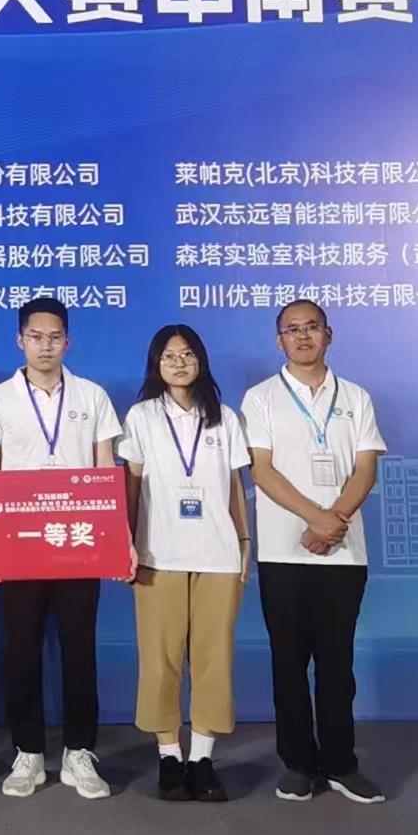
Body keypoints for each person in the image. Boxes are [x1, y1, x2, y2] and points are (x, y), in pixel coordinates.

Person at [0, 295, 125, 799]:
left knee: (80, 650)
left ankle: (79, 752)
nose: (45, 345)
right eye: (35, 336)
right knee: (21, 651)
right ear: (20, 340)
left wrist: (117, 540)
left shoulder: (92, 396)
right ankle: (29, 753)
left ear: (67, 341)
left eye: (54, 337)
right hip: (19, 545)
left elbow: (106, 471)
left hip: (79, 544)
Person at [241, 300, 387, 804]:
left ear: (329, 334)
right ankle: (299, 764)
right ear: (278, 340)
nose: (302, 336)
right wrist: (314, 517)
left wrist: (333, 521)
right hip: (283, 553)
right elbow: (261, 469)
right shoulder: (260, 398)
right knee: (288, 663)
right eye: (292, 329)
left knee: (336, 664)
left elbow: (366, 467)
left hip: (343, 553)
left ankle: (342, 763)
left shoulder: (357, 397)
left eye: (311, 327)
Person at [120, 324, 252, 803]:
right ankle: (169, 756)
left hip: (218, 556)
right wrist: (124, 543)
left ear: (202, 360)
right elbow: (132, 484)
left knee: (214, 659)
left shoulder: (225, 418)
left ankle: (203, 758)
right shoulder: (141, 416)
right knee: (161, 658)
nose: (179, 363)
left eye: (188, 354)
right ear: (156, 364)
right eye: (169, 356)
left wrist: (244, 543)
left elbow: (235, 487)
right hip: (158, 554)